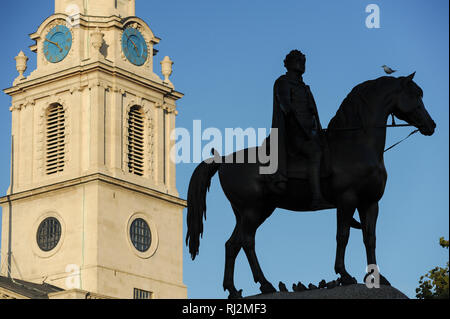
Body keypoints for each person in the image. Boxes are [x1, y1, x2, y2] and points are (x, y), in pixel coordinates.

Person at [269, 49, 327, 209]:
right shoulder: (283, 82)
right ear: (288, 64)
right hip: (293, 134)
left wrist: (319, 131)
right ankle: (317, 197)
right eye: (298, 60)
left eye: (303, 61)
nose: (302, 64)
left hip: (311, 132)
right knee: (315, 153)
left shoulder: (305, 87)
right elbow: (287, 109)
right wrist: (305, 133)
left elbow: (313, 113)